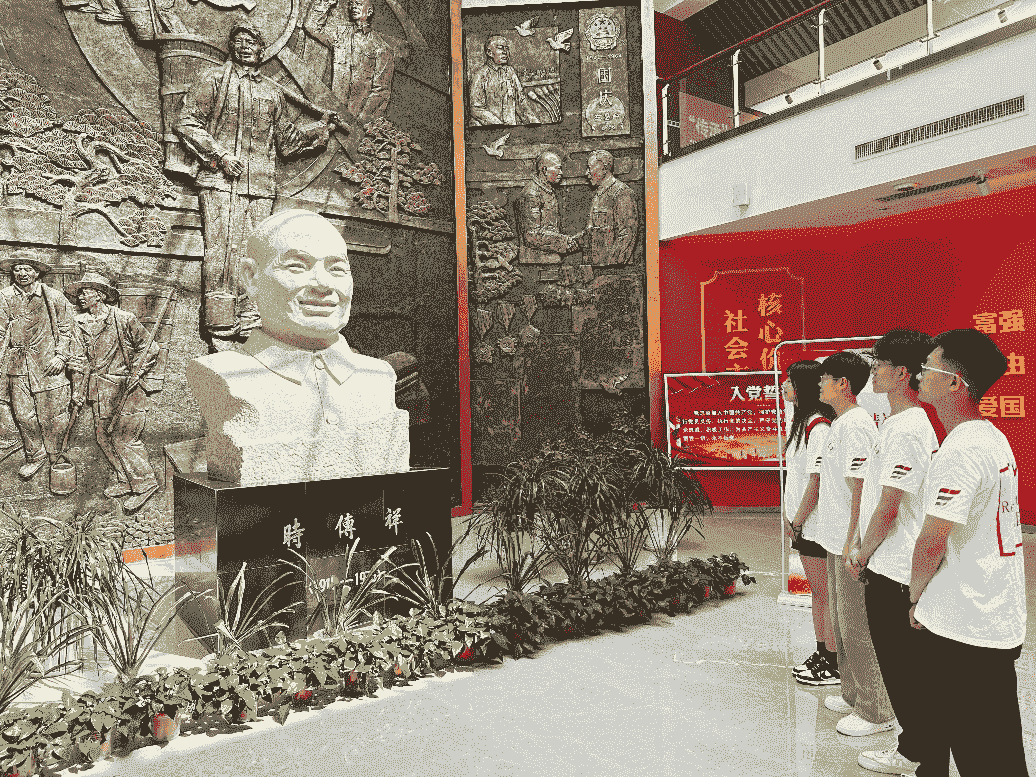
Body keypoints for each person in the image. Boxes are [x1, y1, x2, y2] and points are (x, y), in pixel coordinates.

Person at [186, 209, 409, 486]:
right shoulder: (222, 374)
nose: (323, 285)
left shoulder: (379, 376)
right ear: (251, 277)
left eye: (337, 269)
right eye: (297, 266)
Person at [907, 330, 1026, 777]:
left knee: (985, 754)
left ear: (954, 382)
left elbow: (932, 539)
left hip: (967, 624)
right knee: (992, 745)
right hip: (989, 612)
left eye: (928, 367)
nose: (919, 375)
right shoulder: (990, 438)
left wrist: (915, 596)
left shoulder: (962, 449)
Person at [177, 22, 336, 346]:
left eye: (252, 41)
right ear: (231, 46)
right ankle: (219, 323)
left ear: (262, 50)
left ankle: (250, 317)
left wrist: (320, 129)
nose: (245, 46)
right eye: (239, 40)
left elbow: (287, 143)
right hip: (220, 181)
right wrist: (220, 155)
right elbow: (187, 122)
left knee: (255, 252)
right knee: (222, 250)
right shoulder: (213, 79)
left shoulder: (272, 92)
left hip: (261, 184)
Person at [844, 330, 938, 775]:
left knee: (903, 667)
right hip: (888, 561)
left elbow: (890, 506)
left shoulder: (909, 427)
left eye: (879, 364)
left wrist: (863, 553)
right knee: (900, 665)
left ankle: (915, 750)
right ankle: (917, 745)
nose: (873, 372)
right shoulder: (897, 423)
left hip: (896, 567)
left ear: (902, 373)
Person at [811, 350, 896, 737]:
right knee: (842, 623)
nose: (819, 385)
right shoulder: (841, 423)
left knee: (857, 626)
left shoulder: (856, 425)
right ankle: (852, 693)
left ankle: (876, 710)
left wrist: (853, 542)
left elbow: (862, 488)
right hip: (834, 539)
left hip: (848, 542)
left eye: (825, 378)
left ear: (843, 384)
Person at [67, 272, 161, 513]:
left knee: (124, 438)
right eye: (79, 293)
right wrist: (77, 389)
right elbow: (77, 359)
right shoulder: (78, 322)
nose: (80, 297)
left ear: (99, 295)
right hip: (97, 390)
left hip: (125, 388)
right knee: (103, 437)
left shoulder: (123, 318)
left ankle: (146, 483)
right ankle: (126, 479)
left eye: (85, 292)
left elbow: (150, 348)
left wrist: (137, 372)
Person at [780, 360, 837, 686]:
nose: (784, 386)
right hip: (802, 525)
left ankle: (833, 661)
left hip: (813, 526)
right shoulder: (801, 424)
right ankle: (822, 652)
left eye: (790, 380)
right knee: (818, 593)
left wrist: (798, 520)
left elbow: (816, 483)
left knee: (825, 594)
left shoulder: (819, 427)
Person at [0, 256, 76, 483]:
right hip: (17, 365)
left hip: (48, 366)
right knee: (23, 415)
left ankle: (57, 455)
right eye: (17, 270)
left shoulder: (53, 296)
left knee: (53, 415)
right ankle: (36, 455)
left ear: (36, 273)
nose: (22, 273)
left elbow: (67, 330)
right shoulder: (4, 296)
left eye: (27, 269)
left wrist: (61, 356)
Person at [303, 0, 399, 127]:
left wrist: (360, 121)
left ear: (370, 11)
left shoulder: (381, 48)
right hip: (332, 115)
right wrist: (326, 3)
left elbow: (381, 90)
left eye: (358, 3)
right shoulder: (340, 34)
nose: (353, 6)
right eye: (351, 3)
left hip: (358, 122)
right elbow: (311, 26)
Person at [514, 150, 582, 265]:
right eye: (558, 168)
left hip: (549, 258)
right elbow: (531, 235)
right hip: (535, 261)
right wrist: (564, 242)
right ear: (544, 170)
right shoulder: (531, 194)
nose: (561, 173)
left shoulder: (546, 190)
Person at [583, 150, 639, 266]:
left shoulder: (622, 192)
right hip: (597, 267)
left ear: (604, 168)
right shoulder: (599, 195)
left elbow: (627, 234)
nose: (586, 173)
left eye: (590, 168)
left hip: (613, 269)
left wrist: (612, 264)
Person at [468, 35, 536, 126]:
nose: (505, 52)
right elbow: (476, 109)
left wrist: (535, 124)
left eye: (506, 48)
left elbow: (521, 102)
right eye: (500, 48)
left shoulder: (510, 72)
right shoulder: (479, 76)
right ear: (489, 52)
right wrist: (500, 126)